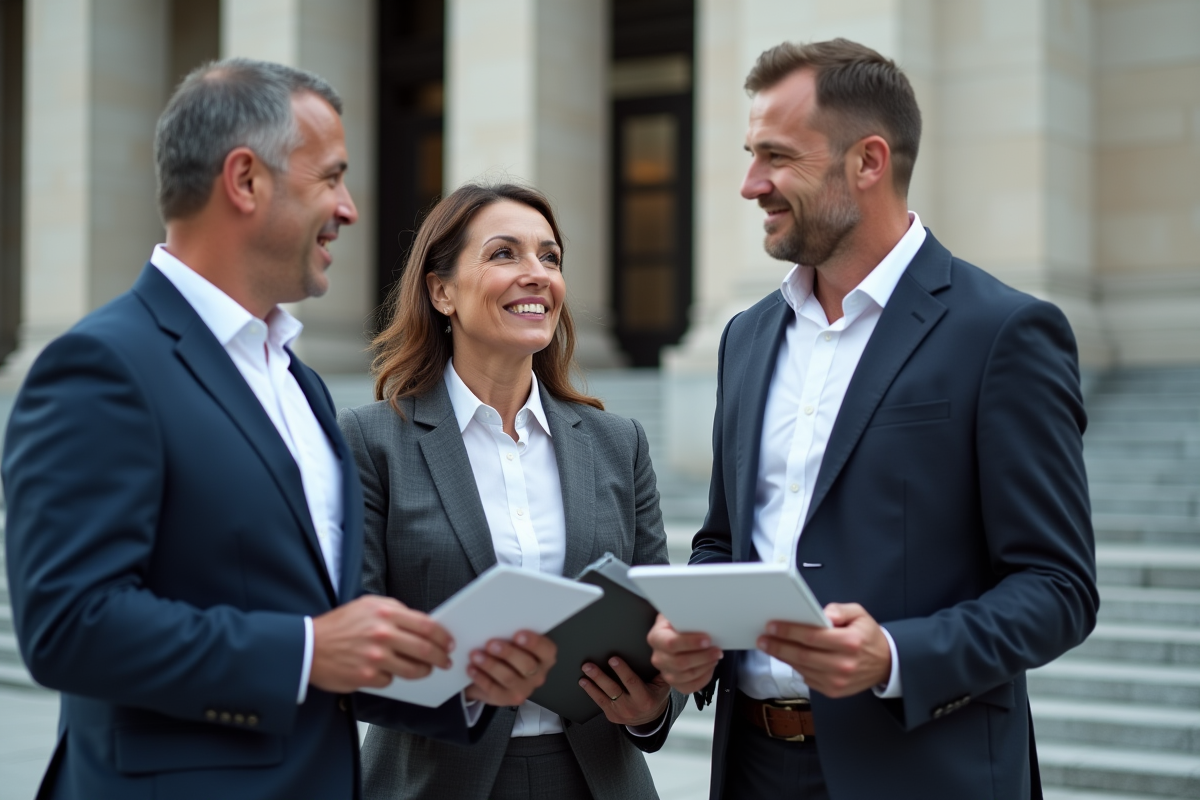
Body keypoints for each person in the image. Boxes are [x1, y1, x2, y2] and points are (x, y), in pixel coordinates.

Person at [1, 60, 555, 800]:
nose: (350, 208)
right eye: (330, 177)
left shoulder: (302, 384)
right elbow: (69, 625)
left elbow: (334, 642)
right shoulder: (101, 365)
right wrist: (303, 651)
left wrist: (462, 682)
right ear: (245, 179)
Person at [646, 39, 1098, 799]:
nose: (751, 184)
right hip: (752, 768)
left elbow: (1057, 587)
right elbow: (725, 540)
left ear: (868, 161)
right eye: (751, 154)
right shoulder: (745, 337)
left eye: (776, 157)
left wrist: (895, 654)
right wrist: (697, 637)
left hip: (925, 771)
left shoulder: (1004, 333)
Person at [338, 182, 686, 800]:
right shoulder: (372, 442)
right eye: (504, 254)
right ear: (441, 291)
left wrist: (654, 703)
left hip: (597, 782)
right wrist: (463, 678)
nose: (537, 275)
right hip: (435, 782)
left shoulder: (617, 443)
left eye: (549, 258)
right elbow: (350, 648)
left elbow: (660, 620)